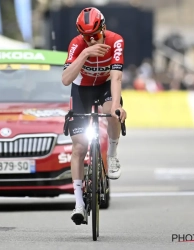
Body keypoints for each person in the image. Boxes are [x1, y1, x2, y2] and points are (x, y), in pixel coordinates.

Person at [61, 7, 127, 224]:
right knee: (79, 147)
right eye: (86, 37)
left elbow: (116, 78)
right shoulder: (77, 45)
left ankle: (112, 155)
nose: (91, 41)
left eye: (95, 36)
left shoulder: (116, 40)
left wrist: (116, 107)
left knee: (113, 113)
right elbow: (66, 79)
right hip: (82, 89)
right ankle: (79, 203)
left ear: (104, 29)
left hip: (106, 86)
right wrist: (85, 54)